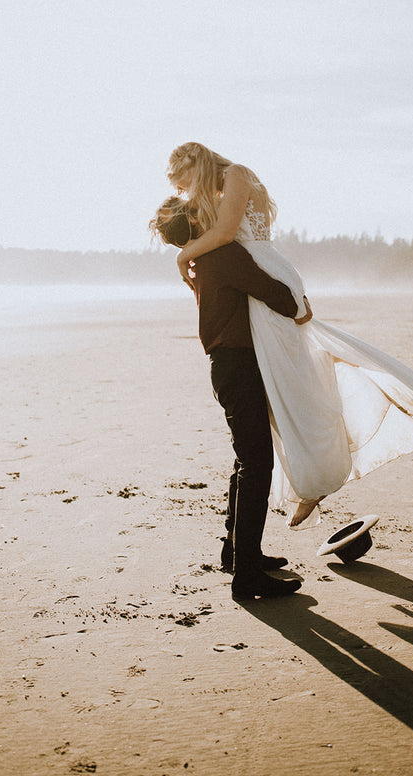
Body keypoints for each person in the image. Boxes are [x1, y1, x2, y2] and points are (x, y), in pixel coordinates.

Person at [165, 142, 413, 528]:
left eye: (186, 184)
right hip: (258, 281)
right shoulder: (222, 192)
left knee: (292, 386)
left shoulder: (235, 175)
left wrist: (184, 256)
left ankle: (314, 479)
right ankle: (309, 480)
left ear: (197, 167)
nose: (188, 194)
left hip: (264, 277)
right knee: (286, 386)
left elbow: (228, 232)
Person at [150, 196, 306, 600]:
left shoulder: (204, 260)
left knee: (245, 459)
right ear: (197, 220)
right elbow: (272, 292)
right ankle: (248, 572)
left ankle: (235, 552)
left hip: (226, 366)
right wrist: (298, 306)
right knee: (257, 463)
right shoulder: (221, 254)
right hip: (239, 365)